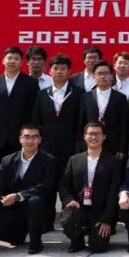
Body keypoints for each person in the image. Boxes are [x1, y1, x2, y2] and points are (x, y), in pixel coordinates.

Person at [0, 124, 55, 254]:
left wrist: (18, 196)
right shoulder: (7, 160)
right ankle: (17, 235)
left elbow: (46, 187)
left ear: (40, 140)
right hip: (14, 210)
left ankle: (35, 241)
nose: (30, 141)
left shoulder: (48, 160)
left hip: (37, 210)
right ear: (20, 139)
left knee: (35, 201)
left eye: (35, 137)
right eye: (26, 137)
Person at [32, 53, 84, 225]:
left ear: (69, 71)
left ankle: (70, 220)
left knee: (69, 184)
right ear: (50, 71)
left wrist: (78, 146)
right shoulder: (42, 94)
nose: (59, 71)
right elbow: (36, 121)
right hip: (47, 148)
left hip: (70, 148)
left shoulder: (79, 94)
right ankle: (46, 221)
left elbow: (81, 122)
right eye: (55, 68)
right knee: (47, 184)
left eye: (63, 68)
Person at [59, 122, 123, 253]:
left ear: (104, 137)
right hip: (79, 209)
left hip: (100, 212)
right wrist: (69, 200)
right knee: (70, 217)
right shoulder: (74, 160)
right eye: (91, 134)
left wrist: (106, 220)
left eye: (98, 134)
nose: (94, 137)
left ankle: (97, 234)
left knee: (98, 247)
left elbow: (113, 193)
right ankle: (77, 240)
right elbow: (64, 184)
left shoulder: (113, 162)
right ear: (84, 136)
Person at [0, 46, 39, 188]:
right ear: (3, 61)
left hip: (20, 138)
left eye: (16, 59)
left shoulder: (31, 82)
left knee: (18, 175)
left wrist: (32, 136)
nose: (12, 61)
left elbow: (34, 112)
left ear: (21, 62)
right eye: (9, 58)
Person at [79, 61, 128, 160]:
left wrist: (122, 149)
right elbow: (81, 123)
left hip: (113, 146)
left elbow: (124, 125)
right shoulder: (86, 97)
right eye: (99, 74)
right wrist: (80, 146)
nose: (102, 76)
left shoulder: (121, 98)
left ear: (112, 76)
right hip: (90, 144)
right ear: (94, 76)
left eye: (105, 73)